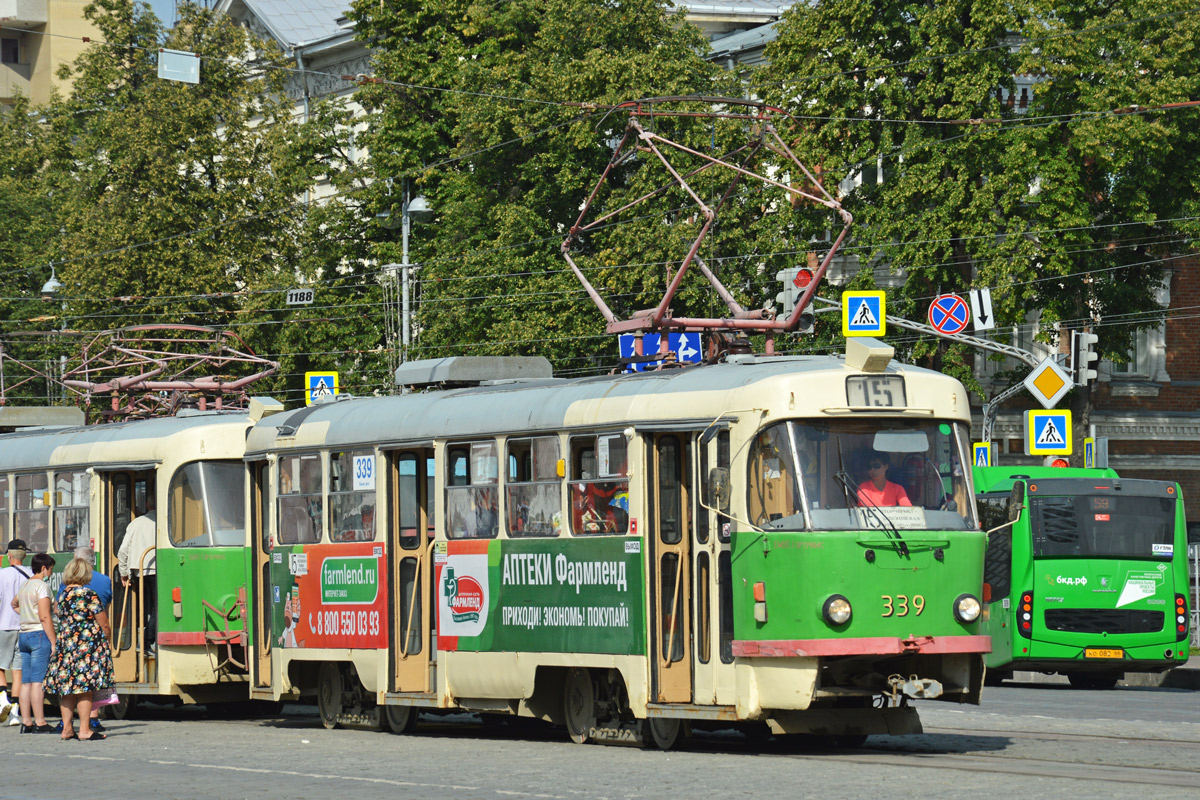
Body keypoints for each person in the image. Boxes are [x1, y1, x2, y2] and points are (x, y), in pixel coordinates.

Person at [44, 557, 113, 741]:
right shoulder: (89, 594)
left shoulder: (63, 595)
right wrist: (106, 639)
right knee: (85, 689)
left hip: (66, 645)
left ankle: (66, 729)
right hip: (86, 646)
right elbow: (103, 623)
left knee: (67, 689)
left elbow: (60, 615)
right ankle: (84, 730)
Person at [15, 552, 56, 733]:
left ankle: (26, 722)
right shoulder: (41, 587)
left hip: (23, 635)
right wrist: (54, 641)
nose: (51, 573)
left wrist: (26, 615)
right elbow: (45, 616)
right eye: (50, 569)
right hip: (39, 634)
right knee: (38, 682)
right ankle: (40, 721)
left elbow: (14, 604)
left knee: (26, 682)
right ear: (44, 568)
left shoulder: (25, 585)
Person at [118, 497, 157, 653]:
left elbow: (123, 550)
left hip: (137, 570)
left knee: (140, 604)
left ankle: (137, 637)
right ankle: (146, 641)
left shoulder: (136, 523)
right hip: (157, 569)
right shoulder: (165, 522)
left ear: (147, 505)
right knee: (158, 607)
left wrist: (124, 573)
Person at [0, 538, 33, 726]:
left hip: (4, 624)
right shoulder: (31, 575)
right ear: (25, 555)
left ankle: (3, 700)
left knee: (0, 667)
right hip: (25, 627)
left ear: (9, 556)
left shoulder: (2, 574)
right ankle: (14, 714)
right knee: (18, 671)